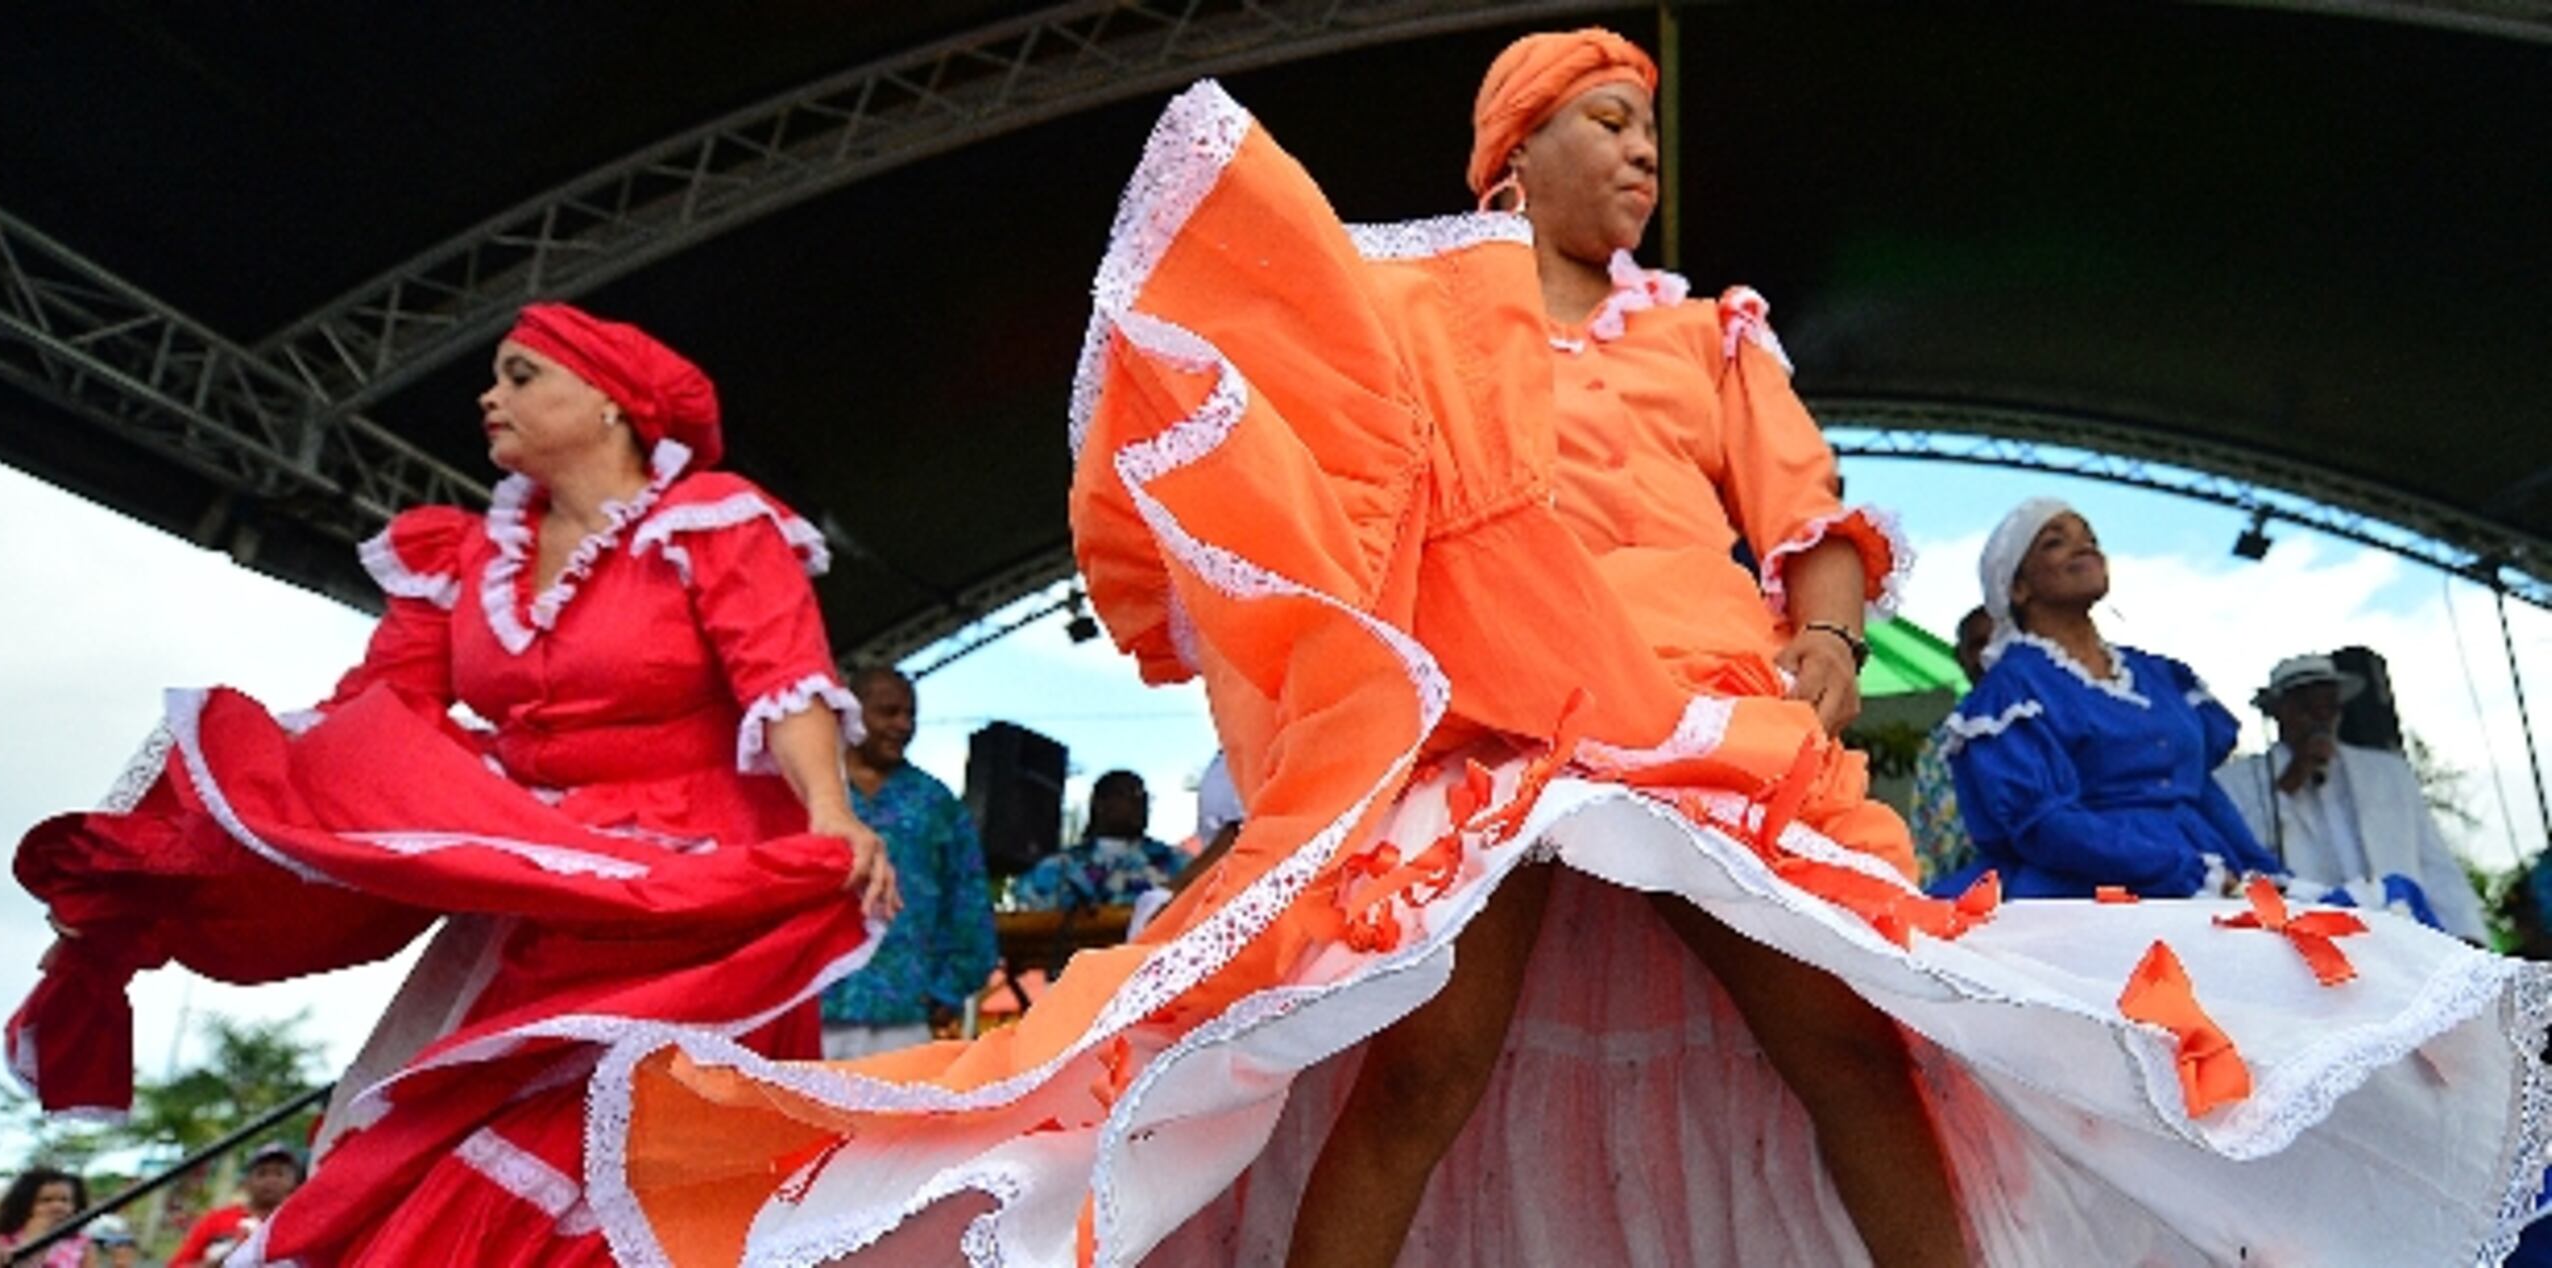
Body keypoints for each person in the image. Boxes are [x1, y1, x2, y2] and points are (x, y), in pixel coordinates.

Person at [583, 33, 2548, 1268]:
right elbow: (1316, 475)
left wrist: (1817, 638)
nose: (1638, 157)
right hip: (1501, 724)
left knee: (1846, 1046)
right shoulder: (1422, 317)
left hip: (1694, 728)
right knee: (1418, 1057)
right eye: (1604, 125)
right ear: (1509, 152)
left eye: (1644, 129)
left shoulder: (1711, 332)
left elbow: (1811, 514)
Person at [5, 302, 897, 1267]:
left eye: (522, 375)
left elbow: (783, 675)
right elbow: (371, 717)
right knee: (456, 1122)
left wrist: (830, 817)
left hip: (696, 884)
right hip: (543, 883)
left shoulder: (710, 523)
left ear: (611, 404)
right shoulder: (460, 558)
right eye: (496, 376)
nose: (490, 395)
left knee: (617, 1125)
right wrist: (186, 839)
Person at [1946, 499, 2283, 898]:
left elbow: (2199, 792)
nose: (2084, 548)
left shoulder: (2160, 675)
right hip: (2087, 893)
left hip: (2208, 874)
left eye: (2091, 539)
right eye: (2056, 542)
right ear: (2017, 587)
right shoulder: (2010, 691)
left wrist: (2264, 874)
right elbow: (2043, 826)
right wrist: (2179, 872)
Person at [2216, 654, 2492, 941]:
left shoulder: (2387, 772)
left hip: (2402, 932)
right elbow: (2240, 861)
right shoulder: (2238, 782)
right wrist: (2291, 782)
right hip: (2309, 944)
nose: (2320, 719)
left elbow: (2434, 862)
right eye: (2307, 708)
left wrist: (2468, 933)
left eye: (2328, 707)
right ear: (2279, 712)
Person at [817, 665, 998, 1059]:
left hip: (903, 1013)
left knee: (892, 1121)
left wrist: (947, 988)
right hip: (810, 1006)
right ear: (850, 713)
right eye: (888, 712)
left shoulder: (935, 802)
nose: (902, 724)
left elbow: (969, 905)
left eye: (910, 714)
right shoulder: (814, 791)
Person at [1008, 770, 1187, 911]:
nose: (1139, 802)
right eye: (1128, 794)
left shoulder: (1175, 861)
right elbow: (1025, 905)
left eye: (1143, 796)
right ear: (1100, 804)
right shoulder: (1061, 866)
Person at [1911, 605, 1993, 888]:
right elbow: (1925, 842)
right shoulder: (1939, 742)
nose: (1989, 654)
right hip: (1959, 900)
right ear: (1961, 657)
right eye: (1978, 644)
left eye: (1999, 643)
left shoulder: (2050, 723)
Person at [165, 1144, 300, 1268]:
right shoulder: (216, 1219)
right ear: (246, 1181)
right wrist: (225, 1258)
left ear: (294, 1182)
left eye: (279, 1174)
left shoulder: (299, 1223)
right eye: (262, 1173)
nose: (270, 1180)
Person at [0, 1169, 87, 1268]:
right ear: (24, 1205)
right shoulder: (2, 1238)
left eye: (65, 1200)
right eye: (46, 1200)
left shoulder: (81, 1243)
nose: (57, 1206)